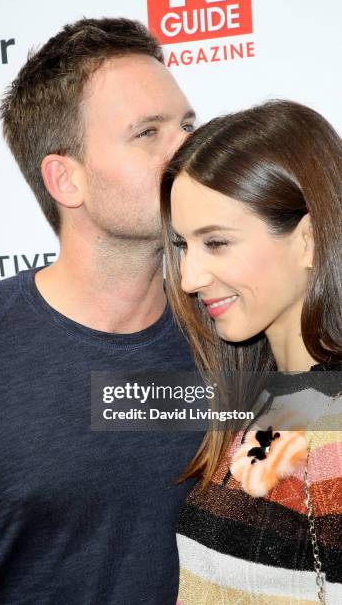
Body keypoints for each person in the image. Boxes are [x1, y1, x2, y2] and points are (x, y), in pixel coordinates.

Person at [0, 18, 203, 604]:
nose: (189, 151)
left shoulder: (240, 338)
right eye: (148, 132)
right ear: (65, 179)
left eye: (188, 125)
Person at [160, 100, 342, 603]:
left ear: (308, 239)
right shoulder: (269, 399)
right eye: (184, 245)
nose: (189, 278)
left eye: (216, 242)